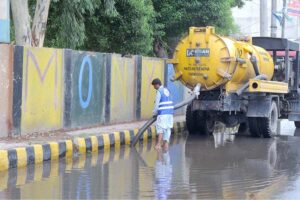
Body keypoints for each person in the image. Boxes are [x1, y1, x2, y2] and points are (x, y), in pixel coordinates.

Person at [152, 78, 174, 150]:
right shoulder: (167, 90)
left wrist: (154, 113)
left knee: (160, 128)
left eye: (154, 86)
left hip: (163, 113)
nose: (154, 87)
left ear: (157, 84)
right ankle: (165, 144)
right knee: (167, 128)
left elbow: (157, 104)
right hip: (170, 113)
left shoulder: (159, 91)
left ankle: (158, 145)